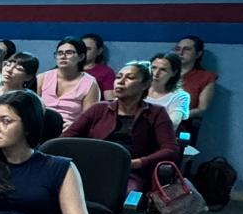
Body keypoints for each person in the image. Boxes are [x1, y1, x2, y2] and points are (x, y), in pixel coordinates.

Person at [62, 62, 180, 192]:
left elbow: (170, 149)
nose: (121, 82)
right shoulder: (99, 109)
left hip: (130, 172)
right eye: (118, 77)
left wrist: (138, 163)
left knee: (123, 191)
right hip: (93, 166)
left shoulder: (156, 113)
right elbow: (65, 139)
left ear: (145, 84)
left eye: (129, 78)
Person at [38, 38, 101, 128]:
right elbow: (32, 110)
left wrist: (74, 126)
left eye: (69, 53)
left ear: (81, 57)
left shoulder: (90, 83)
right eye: (59, 53)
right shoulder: (42, 78)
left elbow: (89, 119)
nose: (63, 56)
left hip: (70, 130)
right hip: (41, 127)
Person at [175, 35, 218, 128]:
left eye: (187, 49)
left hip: (182, 124)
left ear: (198, 54)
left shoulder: (206, 77)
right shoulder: (163, 72)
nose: (181, 53)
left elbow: (201, 108)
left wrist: (177, 116)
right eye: (178, 49)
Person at [146, 51, 191, 129]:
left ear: (174, 73)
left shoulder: (180, 96)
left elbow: (173, 123)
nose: (156, 74)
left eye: (163, 70)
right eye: (153, 68)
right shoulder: (137, 88)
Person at [81, 32, 115, 98]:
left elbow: (110, 99)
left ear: (99, 51)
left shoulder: (106, 72)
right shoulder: (68, 69)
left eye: (88, 49)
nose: (83, 51)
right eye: (81, 48)